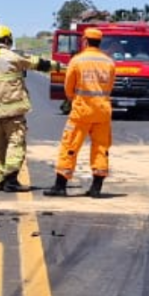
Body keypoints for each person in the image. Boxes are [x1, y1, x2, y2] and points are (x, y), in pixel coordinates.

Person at [0, 24, 61, 192]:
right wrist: (60, 67)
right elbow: (38, 63)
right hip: (12, 113)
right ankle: (11, 180)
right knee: (15, 143)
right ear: (7, 40)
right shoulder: (13, 58)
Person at [44, 27, 116, 198]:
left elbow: (68, 87)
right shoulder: (109, 62)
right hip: (103, 111)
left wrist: (73, 99)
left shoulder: (77, 61)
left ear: (85, 41)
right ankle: (96, 188)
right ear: (100, 42)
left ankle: (60, 185)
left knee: (70, 145)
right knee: (101, 147)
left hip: (82, 110)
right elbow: (110, 86)